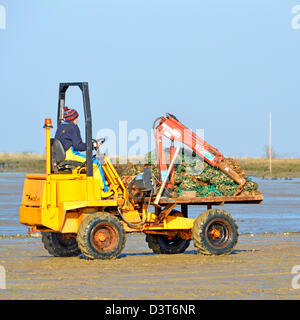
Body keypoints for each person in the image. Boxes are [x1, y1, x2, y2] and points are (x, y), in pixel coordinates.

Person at [55, 106, 111, 196]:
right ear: (73, 119)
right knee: (96, 163)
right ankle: (104, 191)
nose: (77, 120)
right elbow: (78, 146)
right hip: (70, 155)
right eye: (76, 118)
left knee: (90, 160)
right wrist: (94, 145)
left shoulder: (61, 126)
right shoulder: (73, 127)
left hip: (62, 155)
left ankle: (95, 187)